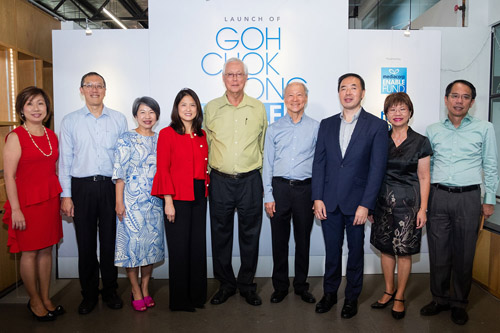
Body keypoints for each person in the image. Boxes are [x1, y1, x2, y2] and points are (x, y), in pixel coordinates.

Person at [421, 80, 499, 325]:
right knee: (439, 251)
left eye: (465, 97)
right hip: (438, 196)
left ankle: (458, 303)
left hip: (469, 198)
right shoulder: (432, 130)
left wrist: (488, 200)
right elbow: (427, 168)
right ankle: (439, 299)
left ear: (472, 102)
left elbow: (491, 165)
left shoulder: (485, 128)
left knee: (464, 254)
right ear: (446, 99)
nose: (459, 101)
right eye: (454, 96)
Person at [312, 73, 388, 318]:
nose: (348, 92)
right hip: (329, 202)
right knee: (332, 252)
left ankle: (351, 298)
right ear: (338, 93)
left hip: (357, 204)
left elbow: (377, 169)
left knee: (355, 253)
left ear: (362, 93)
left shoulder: (376, 125)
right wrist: (317, 198)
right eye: (343, 88)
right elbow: (319, 163)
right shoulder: (327, 124)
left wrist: (366, 204)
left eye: (353, 88)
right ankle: (330, 294)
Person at [59, 72, 128, 314]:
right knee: (86, 245)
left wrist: (121, 195)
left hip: (110, 187)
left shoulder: (119, 119)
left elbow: (122, 161)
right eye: (89, 85)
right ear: (81, 90)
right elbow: (65, 161)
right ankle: (88, 294)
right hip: (82, 188)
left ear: (105, 90)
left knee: (109, 243)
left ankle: (110, 291)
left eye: (99, 86)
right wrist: (66, 195)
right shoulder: (70, 121)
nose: (94, 90)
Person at [204, 58, 268, 306]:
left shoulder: (258, 107)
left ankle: (246, 285)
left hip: (250, 180)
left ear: (246, 78)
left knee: (250, 235)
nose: (234, 79)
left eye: (239, 74)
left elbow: (263, 145)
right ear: (223, 78)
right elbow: (207, 143)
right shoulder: (211, 108)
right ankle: (226, 284)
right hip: (219, 180)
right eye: (230, 74)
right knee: (220, 235)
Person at [368, 92, 432, 320]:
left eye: (402, 109)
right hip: (382, 202)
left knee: (404, 252)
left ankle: (400, 296)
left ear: (410, 113)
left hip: (410, 205)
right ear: (385, 114)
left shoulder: (421, 141)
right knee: (386, 249)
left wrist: (423, 209)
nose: (397, 114)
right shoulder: (379, 139)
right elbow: (372, 173)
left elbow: (424, 177)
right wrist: (370, 205)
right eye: (392, 109)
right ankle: (388, 290)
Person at [3, 86, 63, 321]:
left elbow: (53, 169)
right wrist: (15, 209)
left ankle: (46, 297)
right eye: (30, 104)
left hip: (49, 200)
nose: (36, 109)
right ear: (21, 110)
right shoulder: (16, 136)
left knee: (47, 250)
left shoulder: (51, 135)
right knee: (29, 253)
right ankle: (34, 300)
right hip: (25, 204)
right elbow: (9, 176)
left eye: (40, 103)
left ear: (46, 108)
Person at [152, 88, 209, 312]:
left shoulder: (202, 135)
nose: (188, 109)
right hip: (176, 196)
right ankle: (180, 300)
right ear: (177, 108)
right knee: (179, 248)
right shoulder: (167, 134)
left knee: (197, 247)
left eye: (192, 105)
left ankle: (197, 296)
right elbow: (163, 169)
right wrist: (168, 201)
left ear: (197, 109)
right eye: (183, 105)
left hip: (199, 194)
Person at [262, 82, 319, 304]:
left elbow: (320, 164)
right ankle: (280, 286)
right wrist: (268, 195)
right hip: (280, 189)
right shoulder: (274, 128)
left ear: (305, 98)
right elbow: (267, 164)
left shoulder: (316, 127)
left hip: (306, 189)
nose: (295, 99)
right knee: (279, 241)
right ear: (284, 98)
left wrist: (317, 196)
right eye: (290, 95)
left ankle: (301, 285)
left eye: (299, 95)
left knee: (303, 240)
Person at [113, 97, 164, 312]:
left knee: (150, 246)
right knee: (132, 248)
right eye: (142, 112)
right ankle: (135, 289)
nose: (147, 116)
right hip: (131, 203)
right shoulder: (126, 138)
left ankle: (145, 287)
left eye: (151, 112)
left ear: (157, 116)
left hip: (155, 203)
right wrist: (119, 202)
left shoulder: (161, 139)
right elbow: (120, 174)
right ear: (135, 115)